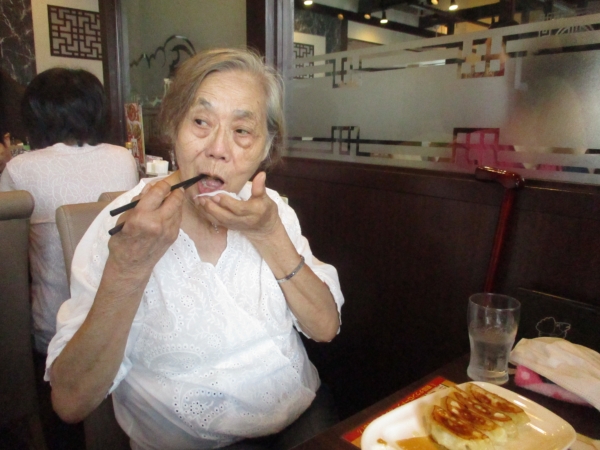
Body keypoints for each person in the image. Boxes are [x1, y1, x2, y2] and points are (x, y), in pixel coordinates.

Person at [45, 49, 344, 450]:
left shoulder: (270, 211)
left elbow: (325, 328)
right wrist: (129, 267)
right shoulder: (126, 227)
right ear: (173, 126)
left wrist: (270, 234)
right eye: (201, 122)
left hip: (301, 418)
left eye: (242, 130)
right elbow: (70, 401)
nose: (218, 148)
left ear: (265, 148)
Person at [0, 68, 139, 354]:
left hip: (53, 329)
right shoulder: (123, 158)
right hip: (123, 324)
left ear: (36, 116)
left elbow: (8, 256)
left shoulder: (20, 168)